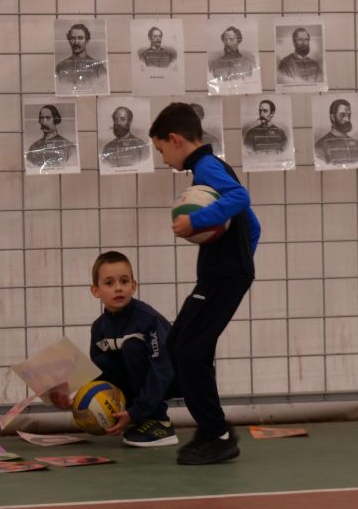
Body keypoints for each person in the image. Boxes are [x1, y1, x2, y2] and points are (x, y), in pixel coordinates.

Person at [148, 102, 261, 465]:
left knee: (189, 349)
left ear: (175, 139)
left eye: (162, 150)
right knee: (181, 342)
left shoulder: (207, 167)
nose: (164, 159)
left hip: (224, 275)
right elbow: (253, 224)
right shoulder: (210, 169)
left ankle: (217, 434)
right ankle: (212, 428)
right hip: (225, 273)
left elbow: (240, 198)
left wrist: (196, 223)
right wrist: (242, 259)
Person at [49, 251, 179, 448]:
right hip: (142, 385)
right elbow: (100, 375)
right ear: (95, 290)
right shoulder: (98, 327)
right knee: (102, 361)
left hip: (171, 378)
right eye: (109, 283)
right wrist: (74, 398)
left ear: (133, 286)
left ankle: (159, 422)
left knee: (132, 346)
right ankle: (135, 418)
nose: (118, 288)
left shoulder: (147, 319)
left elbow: (163, 368)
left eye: (124, 281)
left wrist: (137, 411)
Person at [56, 23, 107, 93]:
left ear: (87, 41)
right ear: (68, 40)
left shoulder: (98, 66)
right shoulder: (61, 66)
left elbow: (103, 91)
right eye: (72, 38)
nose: (76, 42)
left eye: (80, 38)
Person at [314, 98, 358, 165]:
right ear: (333, 117)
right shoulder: (321, 146)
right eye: (342, 115)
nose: (347, 119)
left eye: (349, 115)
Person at [25, 104, 76, 170]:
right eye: (41, 118)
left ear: (55, 119)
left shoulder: (69, 146)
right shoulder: (33, 147)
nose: (44, 122)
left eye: (48, 118)